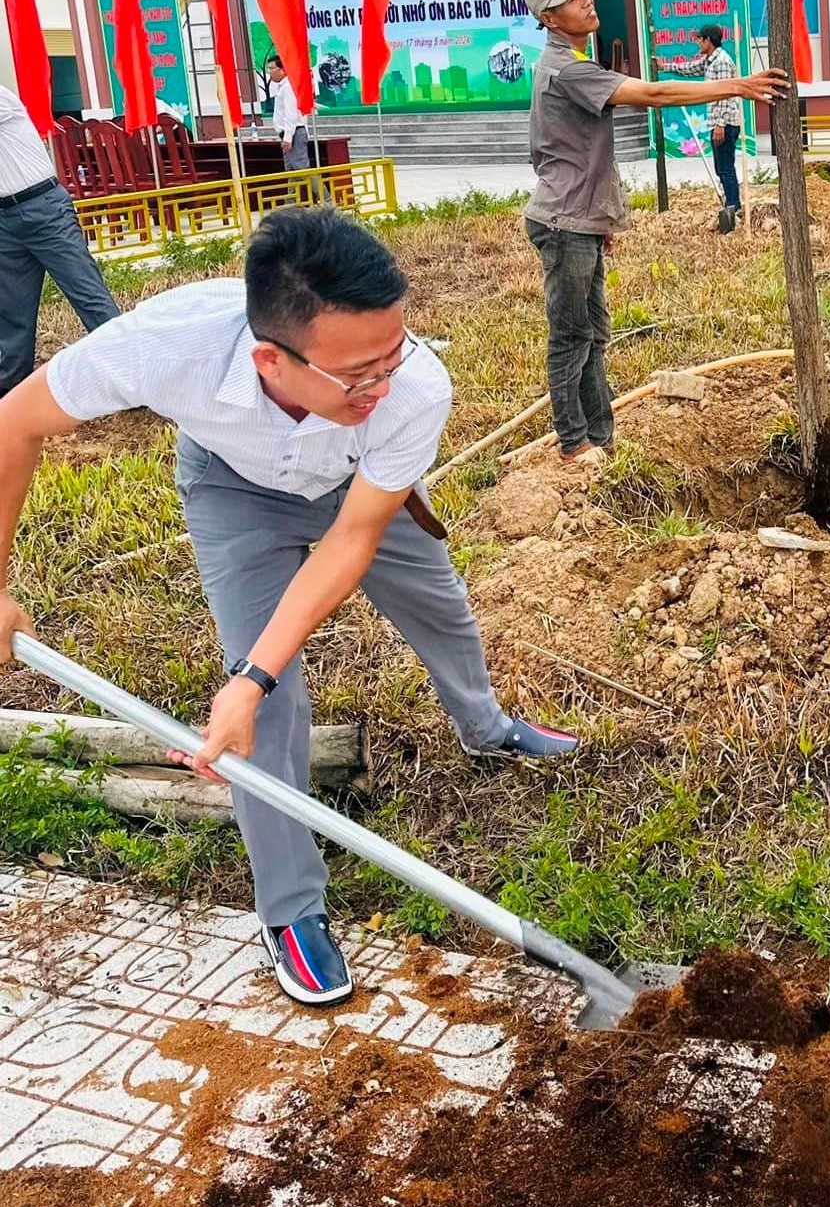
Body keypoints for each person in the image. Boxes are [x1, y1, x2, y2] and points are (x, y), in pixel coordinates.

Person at [0, 207, 580, 1008]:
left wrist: (252, 677)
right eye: (358, 374)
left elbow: (349, 544)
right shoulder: (168, 345)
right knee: (265, 705)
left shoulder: (409, 390)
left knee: (441, 606)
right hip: (233, 488)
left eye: (393, 354)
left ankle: (486, 728)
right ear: (271, 358)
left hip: (356, 486)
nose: (384, 383)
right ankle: (293, 913)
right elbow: (14, 425)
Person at [521, 0, 788, 463]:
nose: (586, 0)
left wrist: (599, 220)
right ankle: (574, 443)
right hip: (563, 222)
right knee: (572, 336)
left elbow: (562, 152)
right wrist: (738, 86)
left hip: (578, 219)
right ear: (550, 18)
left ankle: (598, 439)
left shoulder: (572, 62)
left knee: (594, 334)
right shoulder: (569, 70)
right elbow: (654, 93)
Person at [0, 82, 119, 398]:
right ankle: (10, 387)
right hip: (3, 219)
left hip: (42, 208)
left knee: (86, 292)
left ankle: (124, 371)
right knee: (12, 308)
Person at [665, 24, 743, 234]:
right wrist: (665, 66)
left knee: (726, 168)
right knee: (721, 168)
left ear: (709, 40)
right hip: (718, 123)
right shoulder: (710, 61)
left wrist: (720, 125)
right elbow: (691, 68)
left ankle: (734, 210)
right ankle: (731, 205)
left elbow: (727, 94)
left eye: (700, 39)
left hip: (724, 123)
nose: (698, 43)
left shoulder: (723, 62)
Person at [268, 56, 312, 173]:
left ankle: (322, 192)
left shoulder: (288, 88)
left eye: (272, 68)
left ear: (283, 70)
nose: (269, 72)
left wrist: (288, 137)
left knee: (301, 168)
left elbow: (291, 114)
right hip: (290, 133)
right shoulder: (282, 87)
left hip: (294, 133)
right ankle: (291, 192)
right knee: (292, 170)